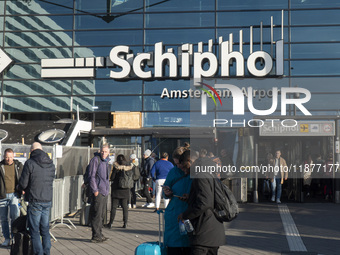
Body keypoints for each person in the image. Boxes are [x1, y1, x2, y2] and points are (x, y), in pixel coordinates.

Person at [178, 150, 225, 255]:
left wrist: (185, 215)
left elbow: (204, 203)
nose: (185, 171)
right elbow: (208, 196)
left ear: (190, 161)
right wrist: (191, 197)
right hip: (212, 230)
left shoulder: (200, 175)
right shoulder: (209, 172)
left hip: (204, 232)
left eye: (184, 167)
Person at [17, 142, 55, 255]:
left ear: (32, 151)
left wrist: (19, 187)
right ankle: (46, 252)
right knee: (45, 229)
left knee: (34, 231)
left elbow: (23, 183)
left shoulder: (30, 163)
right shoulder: (51, 163)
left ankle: (39, 253)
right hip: (47, 200)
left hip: (35, 200)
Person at [162, 146, 192, 255]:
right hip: (174, 214)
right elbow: (166, 188)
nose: (178, 166)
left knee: (189, 245)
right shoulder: (173, 171)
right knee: (174, 247)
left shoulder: (194, 173)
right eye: (176, 164)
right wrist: (166, 192)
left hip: (189, 212)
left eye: (180, 163)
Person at [0, 148, 24, 247]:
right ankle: (7, 238)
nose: (8, 159)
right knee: (3, 219)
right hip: (2, 195)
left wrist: (23, 189)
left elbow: (23, 178)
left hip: (14, 195)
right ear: (4, 157)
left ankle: (15, 238)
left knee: (15, 217)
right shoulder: (0, 166)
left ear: (13, 157)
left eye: (10, 157)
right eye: (6, 157)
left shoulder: (18, 166)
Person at [88, 143, 110, 243]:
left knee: (101, 214)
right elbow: (91, 176)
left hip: (104, 191)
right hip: (98, 191)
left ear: (109, 152)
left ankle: (99, 233)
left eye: (105, 151)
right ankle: (96, 235)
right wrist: (95, 190)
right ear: (99, 151)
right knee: (96, 213)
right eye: (102, 151)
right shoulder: (95, 160)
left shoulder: (106, 161)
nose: (103, 153)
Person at [105, 154, 133, 229]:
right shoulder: (129, 167)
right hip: (125, 190)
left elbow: (112, 177)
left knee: (114, 207)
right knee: (125, 207)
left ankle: (110, 223)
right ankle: (125, 223)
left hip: (116, 190)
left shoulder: (116, 167)